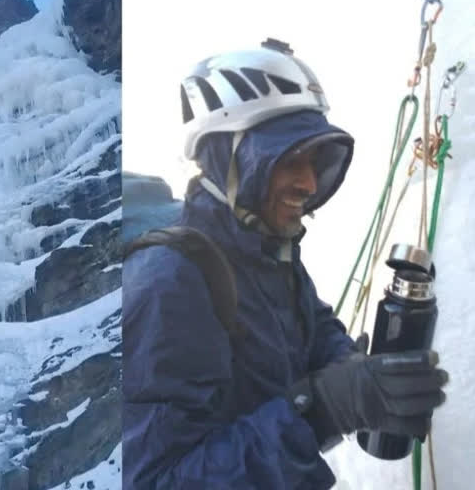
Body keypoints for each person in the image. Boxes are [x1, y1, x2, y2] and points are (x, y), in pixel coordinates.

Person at [123, 39, 449, 489]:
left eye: (316, 161)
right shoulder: (171, 285)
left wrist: (361, 377)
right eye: (289, 159)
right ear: (228, 157)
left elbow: (312, 330)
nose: (309, 183)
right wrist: (322, 408)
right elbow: (156, 480)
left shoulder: (267, 250)